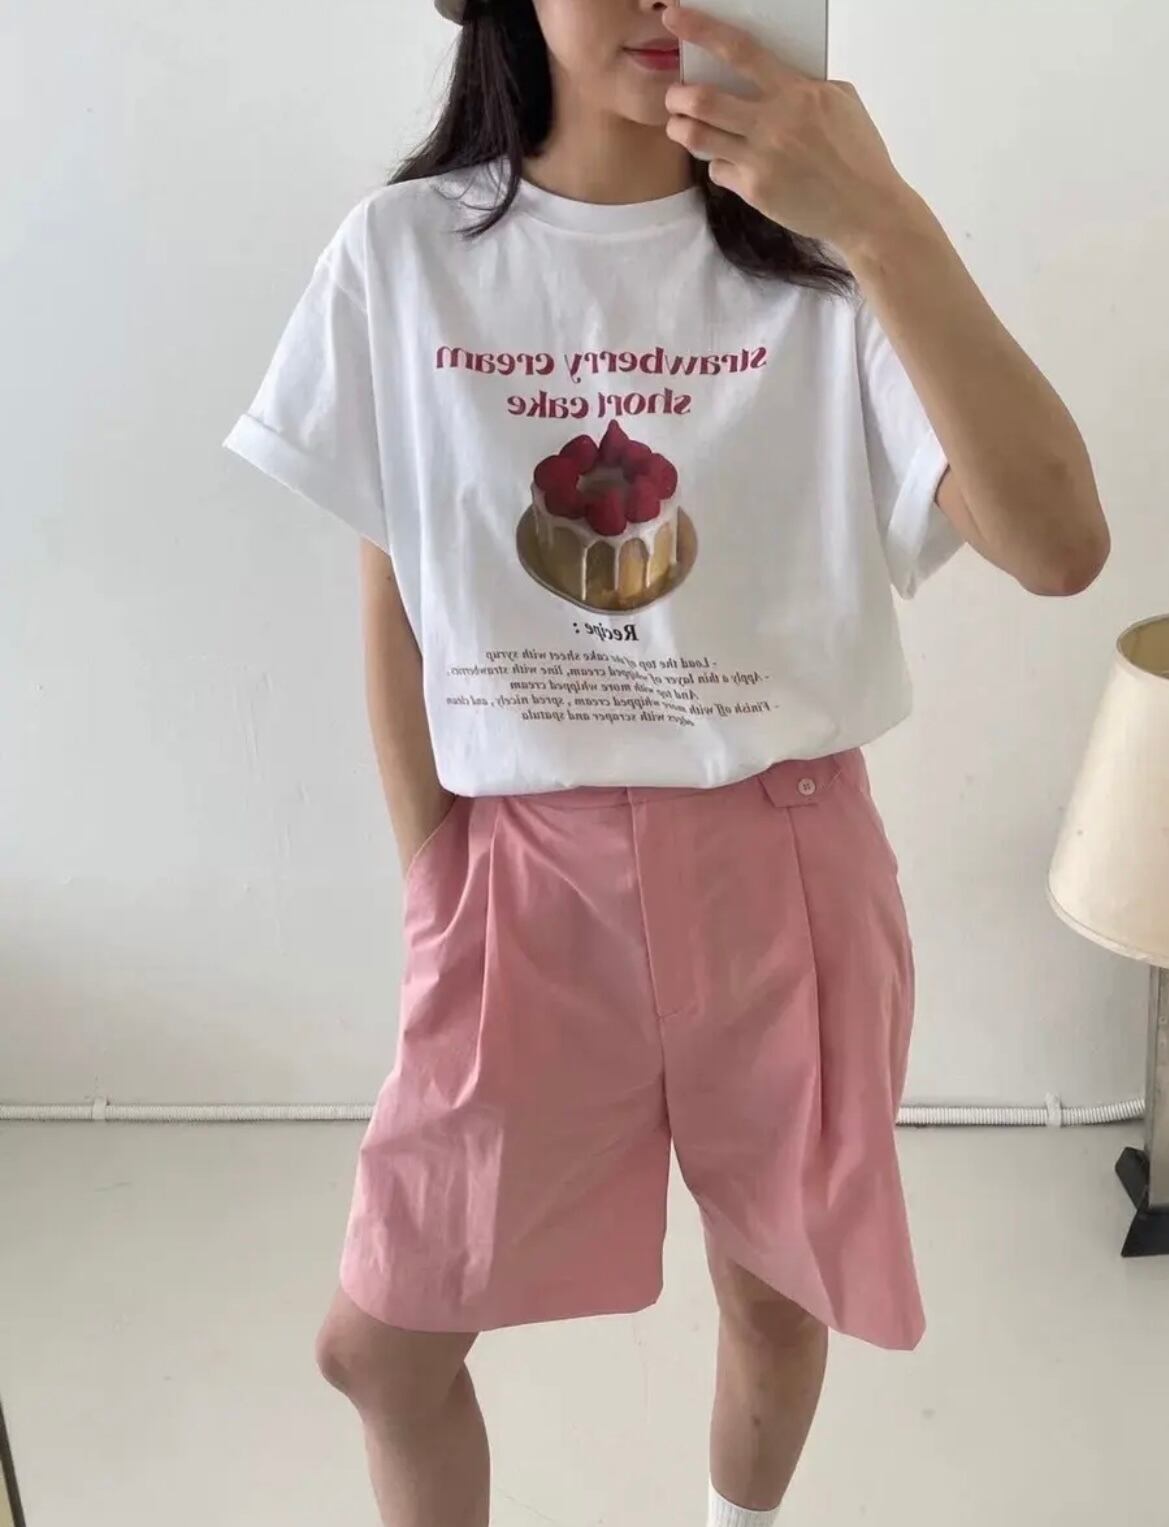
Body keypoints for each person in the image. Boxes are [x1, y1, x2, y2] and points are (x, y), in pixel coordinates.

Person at [222, 0, 1110, 1521]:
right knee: (380, 1352)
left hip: (784, 868)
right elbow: (397, 581)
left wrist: (879, 218)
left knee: (774, 1298)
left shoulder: (828, 269)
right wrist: (435, 869)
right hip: (518, 882)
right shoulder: (403, 253)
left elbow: (1058, 544)